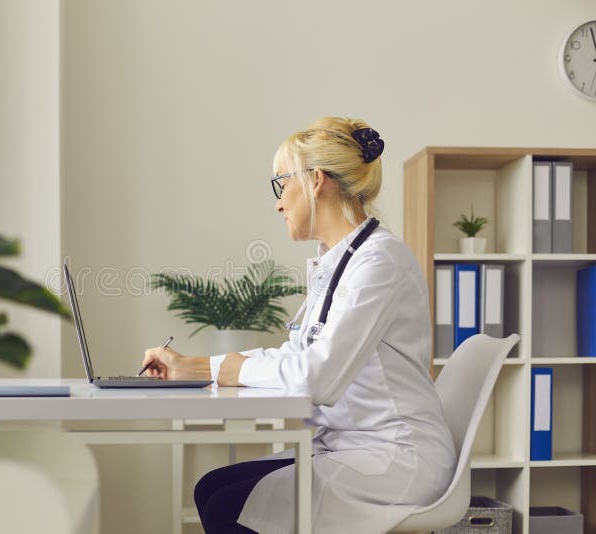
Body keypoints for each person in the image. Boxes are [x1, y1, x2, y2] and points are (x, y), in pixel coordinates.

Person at [141, 116, 456, 533]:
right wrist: (198, 366)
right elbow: (297, 354)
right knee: (211, 489)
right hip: (348, 441)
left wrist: (213, 369)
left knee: (227, 507)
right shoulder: (339, 260)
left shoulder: (379, 262)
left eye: (281, 184)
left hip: (394, 455)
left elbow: (316, 377)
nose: (278, 202)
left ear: (316, 181)